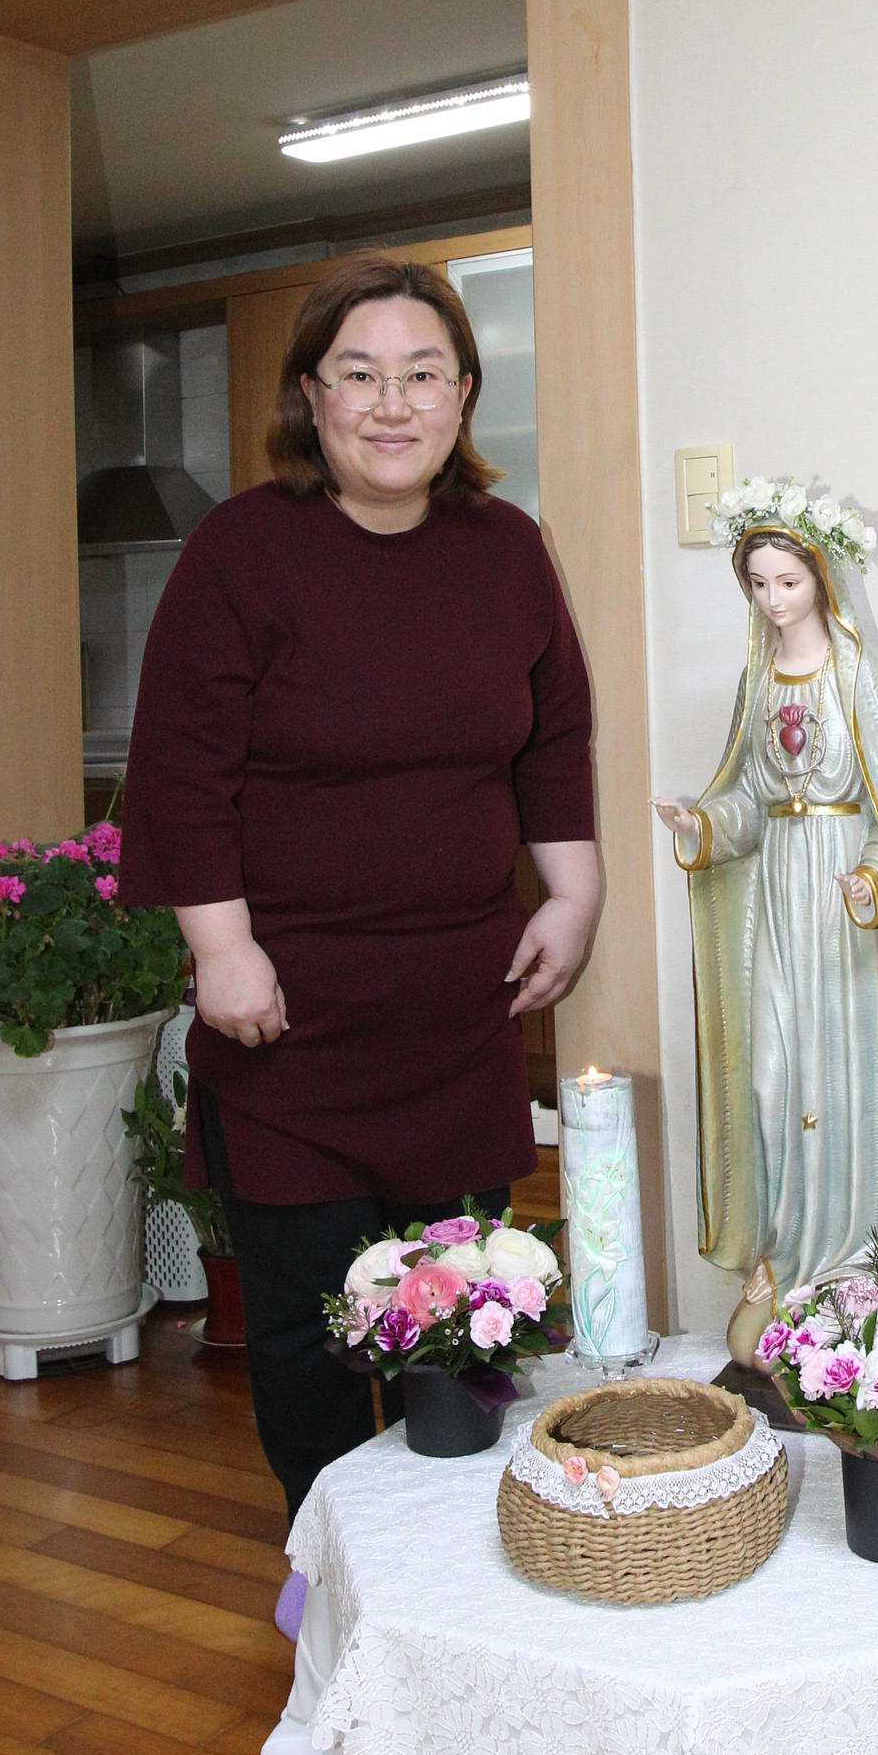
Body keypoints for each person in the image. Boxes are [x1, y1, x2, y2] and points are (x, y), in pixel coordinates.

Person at [121, 255, 598, 1600]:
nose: (394, 403)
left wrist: (571, 895)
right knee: (309, 1330)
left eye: (423, 373)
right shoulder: (242, 553)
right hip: (288, 1022)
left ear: (464, 396)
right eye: (361, 374)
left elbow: (554, 736)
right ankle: (338, 1582)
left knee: (464, 1310)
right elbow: (182, 770)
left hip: (457, 1009)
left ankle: (455, 1581)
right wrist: (221, 949)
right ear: (311, 396)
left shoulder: (508, 551)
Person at [651, 481, 878, 1364]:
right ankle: (784, 1255)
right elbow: (748, 800)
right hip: (779, 902)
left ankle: (853, 1268)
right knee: (771, 1084)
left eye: (788, 581)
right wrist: (701, 825)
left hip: (845, 920)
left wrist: (874, 882)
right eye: (758, 585)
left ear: (820, 575)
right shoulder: (757, 681)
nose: (774, 599)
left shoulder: (864, 676)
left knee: (846, 1086)